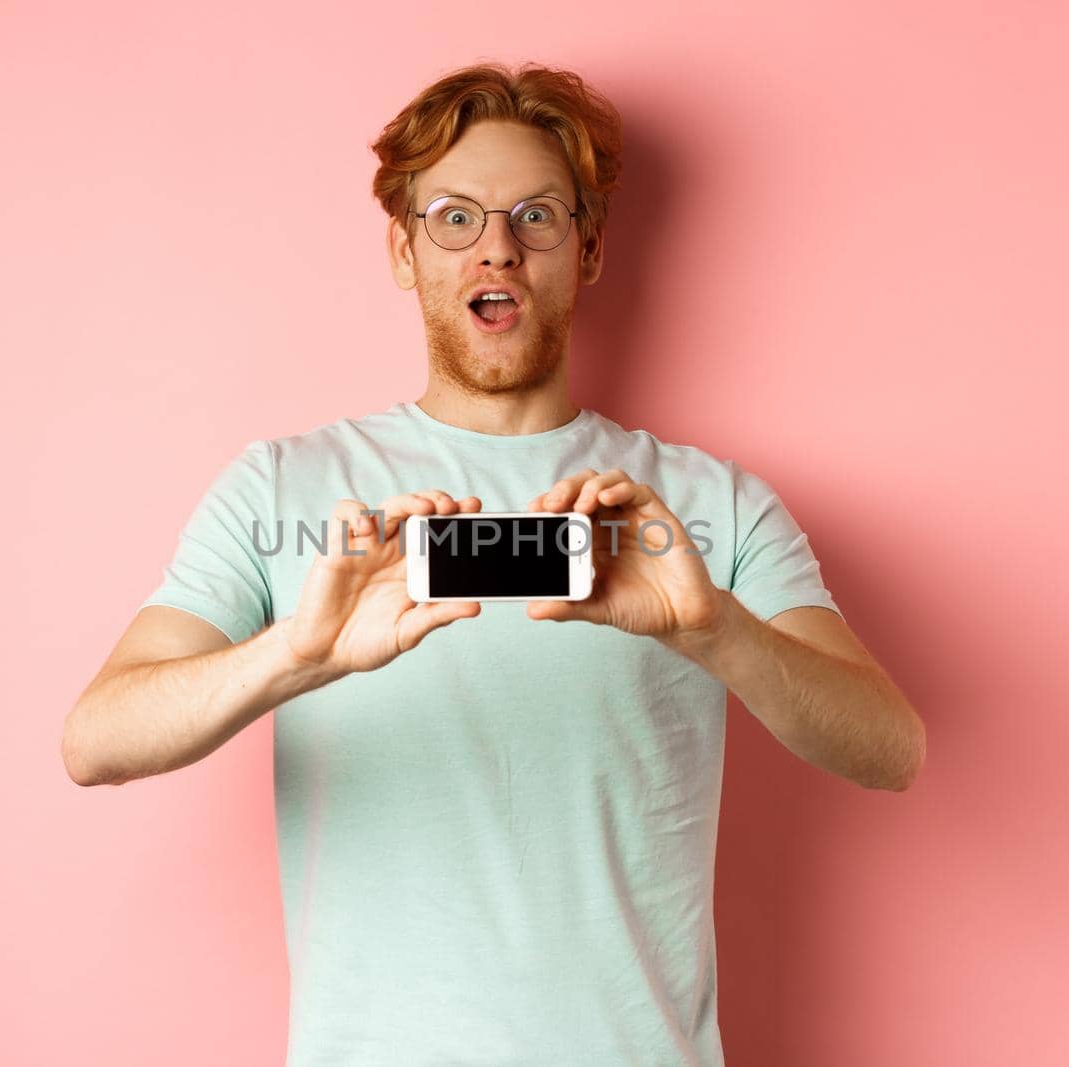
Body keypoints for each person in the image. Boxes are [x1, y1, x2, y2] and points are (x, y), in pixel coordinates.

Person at [62, 61, 925, 1067]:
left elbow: (889, 747)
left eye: (536, 217)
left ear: (589, 247)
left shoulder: (709, 506)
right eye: (455, 218)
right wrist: (294, 653)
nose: (498, 250)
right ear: (404, 248)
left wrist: (712, 631)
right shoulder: (280, 489)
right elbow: (97, 739)